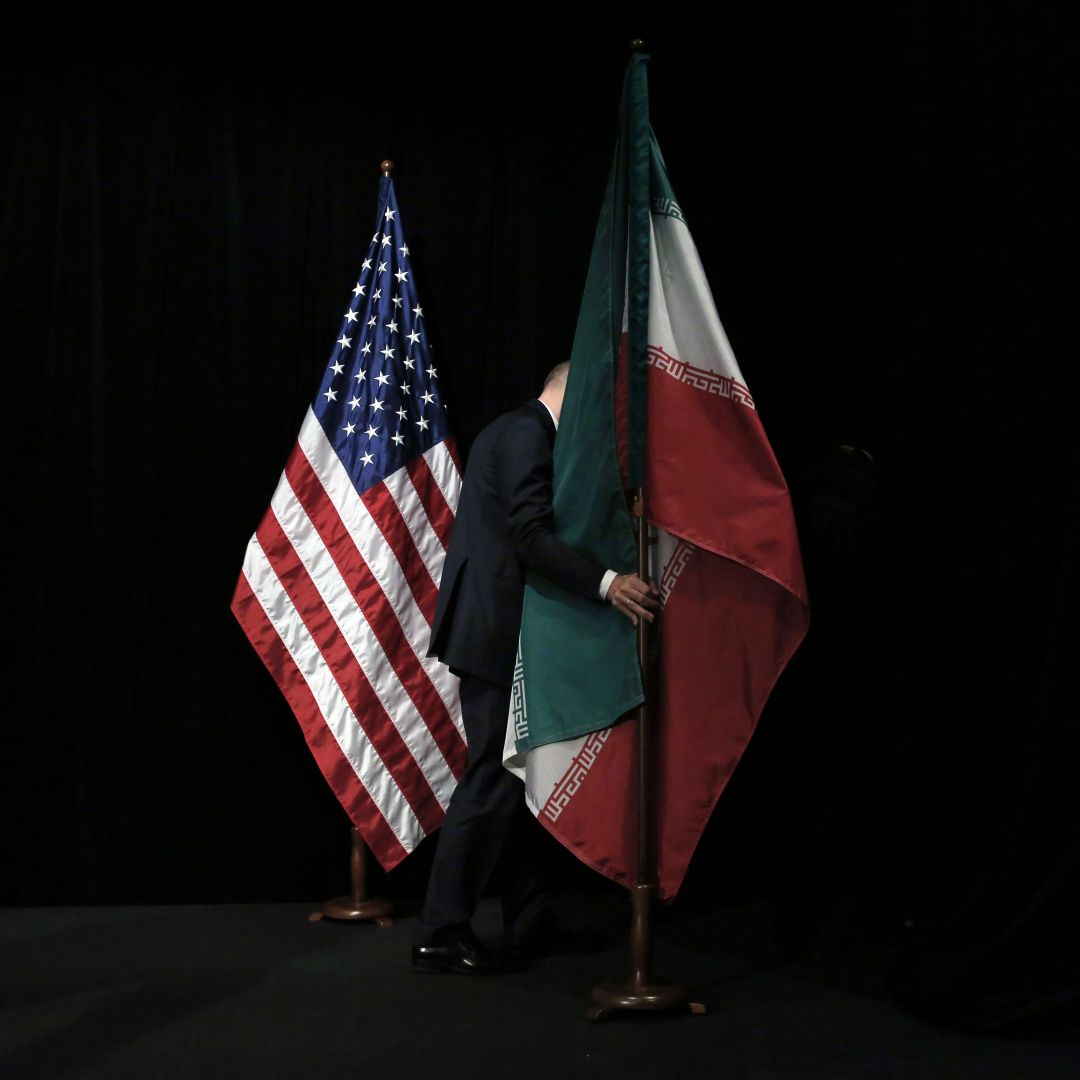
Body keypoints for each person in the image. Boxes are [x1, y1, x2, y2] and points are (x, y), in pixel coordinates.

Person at [412, 361, 659, 974]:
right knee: (494, 782)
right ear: (567, 393)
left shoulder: (518, 430)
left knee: (521, 782)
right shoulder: (527, 433)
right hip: (495, 633)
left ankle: (531, 917)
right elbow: (528, 534)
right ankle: (440, 930)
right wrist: (607, 583)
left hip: (504, 630)